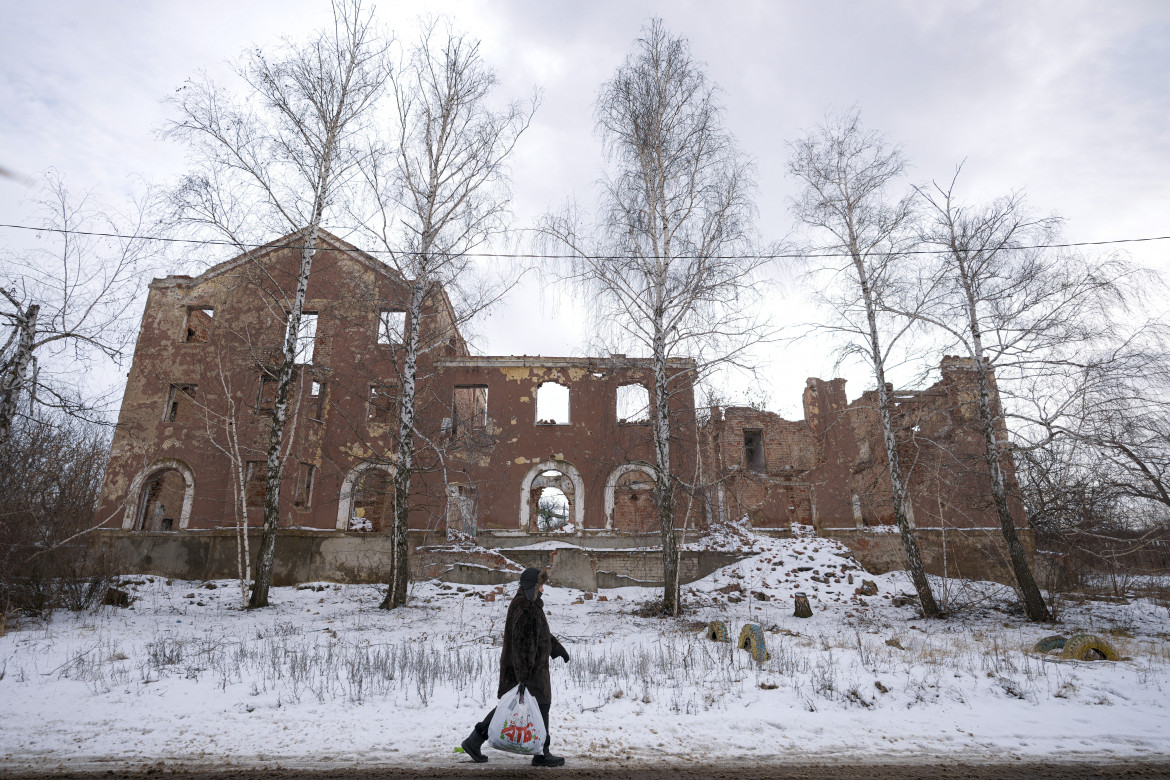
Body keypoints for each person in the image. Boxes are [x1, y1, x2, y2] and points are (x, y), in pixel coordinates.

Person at [461, 567, 570, 767]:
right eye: (540, 585)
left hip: (526, 670)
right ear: (531, 586)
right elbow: (523, 643)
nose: (543, 590)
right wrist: (524, 676)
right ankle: (542, 753)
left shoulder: (529, 604)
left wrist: (557, 649)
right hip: (529, 671)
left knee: (509, 706)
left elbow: (539, 634)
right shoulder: (526, 606)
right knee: (541, 707)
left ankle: (473, 741)